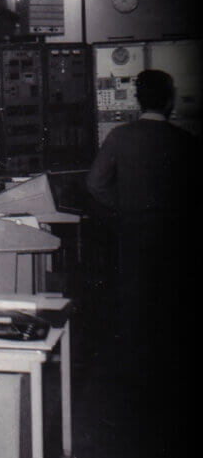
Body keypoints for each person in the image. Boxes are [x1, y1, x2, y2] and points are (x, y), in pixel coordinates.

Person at [86, 69, 200, 455]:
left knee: (134, 307)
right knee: (172, 307)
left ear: (138, 100)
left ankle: (136, 389)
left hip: (133, 235)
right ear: (168, 101)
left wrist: (127, 209)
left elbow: (95, 183)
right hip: (176, 237)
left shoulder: (121, 137)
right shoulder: (184, 141)